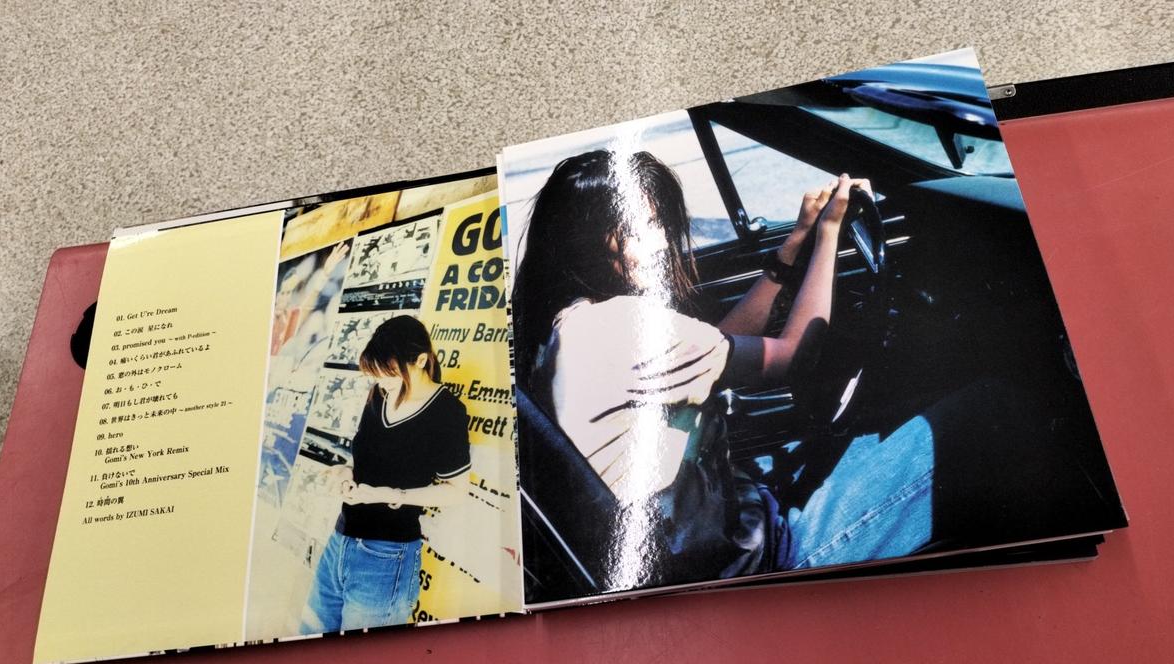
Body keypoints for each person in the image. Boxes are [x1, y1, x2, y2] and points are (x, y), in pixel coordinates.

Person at [512, 149, 936, 591]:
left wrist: (795, 244)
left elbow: (719, 342)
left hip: (728, 516)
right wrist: (829, 233)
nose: (660, 244)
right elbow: (794, 355)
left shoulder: (571, 321)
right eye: (635, 231)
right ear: (586, 243)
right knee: (961, 423)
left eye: (658, 225)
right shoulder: (625, 328)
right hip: (767, 557)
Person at [300, 315, 472, 633]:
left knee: (364, 661)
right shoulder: (379, 395)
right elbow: (367, 462)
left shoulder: (446, 412)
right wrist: (344, 473)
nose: (382, 382)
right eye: (377, 374)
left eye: (389, 373)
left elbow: (456, 490)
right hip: (340, 540)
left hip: (386, 555)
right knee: (309, 637)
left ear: (421, 361)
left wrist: (392, 495)